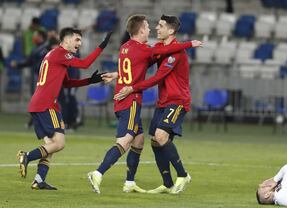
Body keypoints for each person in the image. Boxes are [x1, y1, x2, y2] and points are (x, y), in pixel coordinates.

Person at [87, 14, 201, 194]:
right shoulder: (154, 48)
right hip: (160, 101)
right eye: (151, 26)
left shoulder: (174, 51)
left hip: (177, 100)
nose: (155, 28)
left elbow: (156, 76)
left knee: (155, 137)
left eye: (160, 26)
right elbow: (139, 64)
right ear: (140, 30)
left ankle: (182, 174)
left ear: (170, 30)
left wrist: (131, 86)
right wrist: (121, 76)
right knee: (148, 140)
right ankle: (161, 183)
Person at [16, 27, 112, 190]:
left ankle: (39, 180)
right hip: (47, 105)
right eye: (77, 40)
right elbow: (85, 63)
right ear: (66, 40)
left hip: (38, 104)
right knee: (59, 143)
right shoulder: (61, 53)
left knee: (50, 146)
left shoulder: (54, 56)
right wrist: (102, 45)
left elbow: (67, 83)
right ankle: (27, 156)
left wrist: (90, 81)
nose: (79, 44)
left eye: (80, 40)